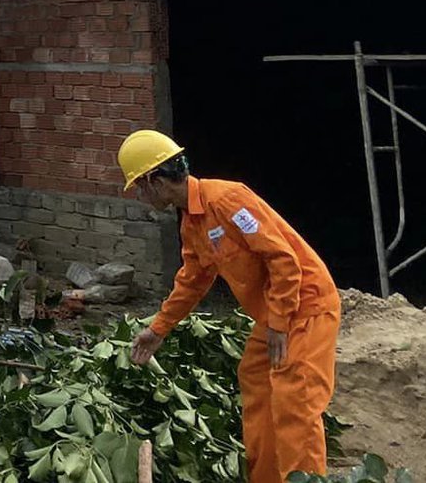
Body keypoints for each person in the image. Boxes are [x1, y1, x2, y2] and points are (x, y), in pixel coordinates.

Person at [116, 131, 340, 483]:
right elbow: (192, 280)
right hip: (275, 313)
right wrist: (158, 329)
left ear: (155, 181)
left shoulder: (227, 200)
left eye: (139, 188)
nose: (141, 198)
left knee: (295, 403)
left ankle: (306, 478)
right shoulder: (192, 222)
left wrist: (279, 323)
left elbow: (283, 259)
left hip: (306, 306)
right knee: (256, 380)